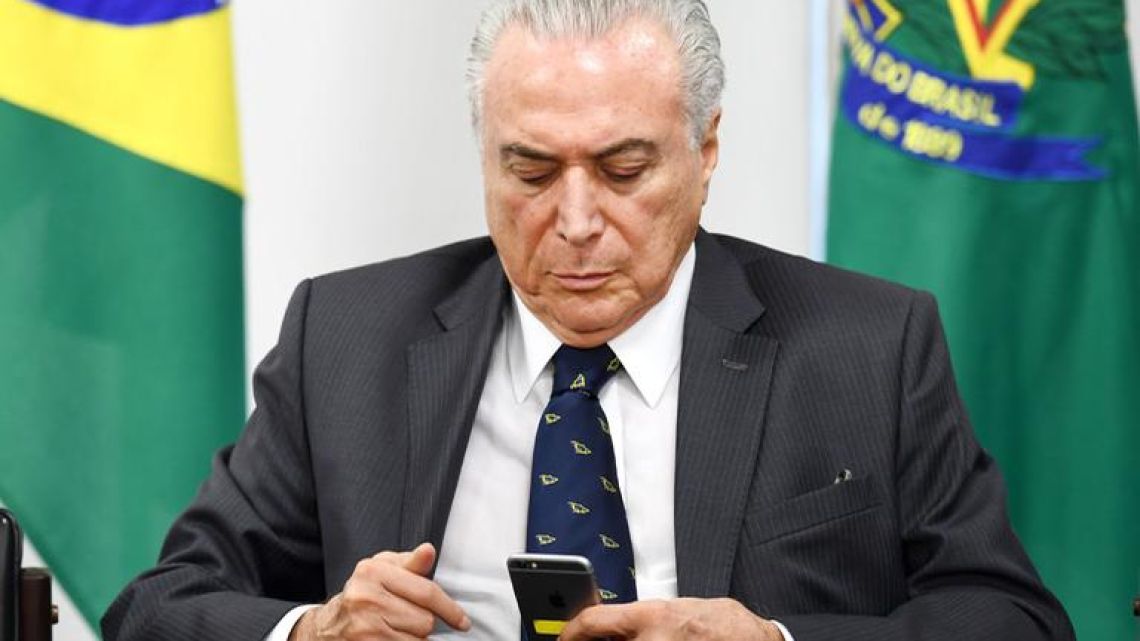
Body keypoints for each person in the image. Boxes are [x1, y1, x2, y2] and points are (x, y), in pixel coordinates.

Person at [102, 1, 1075, 640]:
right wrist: (314, 629)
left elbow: (1014, 620)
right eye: (529, 171)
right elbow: (157, 609)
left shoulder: (868, 348)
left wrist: (776, 640)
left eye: (622, 170)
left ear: (706, 150)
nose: (573, 223)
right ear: (483, 154)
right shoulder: (347, 338)